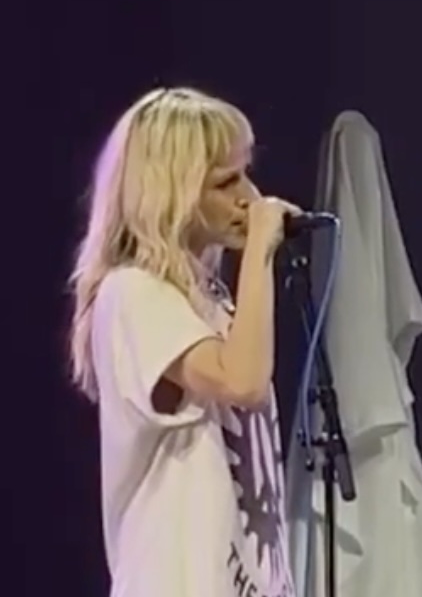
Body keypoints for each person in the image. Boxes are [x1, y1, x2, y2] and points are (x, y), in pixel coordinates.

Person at [68, 87, 299, 597]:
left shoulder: (208, 299)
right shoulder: (133, 293)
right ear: (172, 194)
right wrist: (259, 254)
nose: (251, 197)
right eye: (226, 182)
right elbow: (243, 382)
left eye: (245, 173)